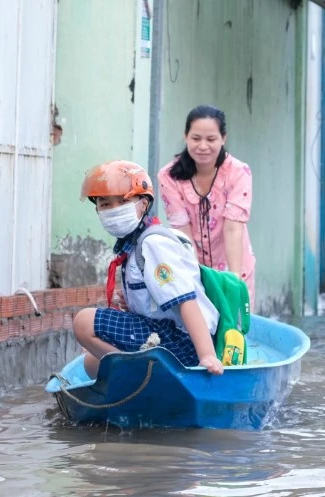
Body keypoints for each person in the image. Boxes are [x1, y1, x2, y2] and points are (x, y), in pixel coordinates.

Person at [73, 160, 224, 378]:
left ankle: (145, 377)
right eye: (105, 204)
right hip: (165, 333)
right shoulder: (133, 245)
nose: (113, 210)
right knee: (91, 363)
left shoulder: (153, 243)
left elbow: (185, 301)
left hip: (184, 341)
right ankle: (141, 376)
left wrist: (207, 355)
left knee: (83, 322)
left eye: (122, 202)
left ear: (143, 204)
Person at [158, 105, 256, 309]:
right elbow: (182, 231)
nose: (203, 146)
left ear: (223, 139)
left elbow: (233, 228)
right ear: (186, 137)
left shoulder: (239, 172)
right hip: (191, 266)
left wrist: (234, 280)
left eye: (211, 139)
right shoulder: (168, 176)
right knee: (199, 331)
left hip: (235, 262)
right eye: (196, 138)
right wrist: (197, 279)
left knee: (234, 331)